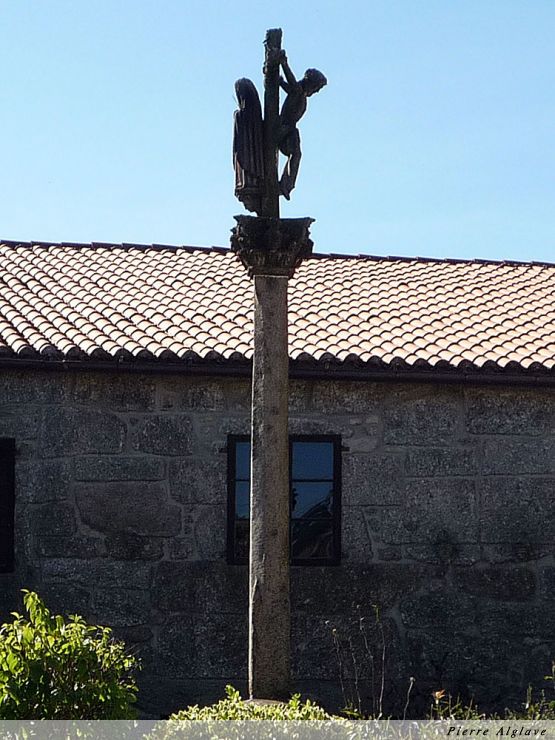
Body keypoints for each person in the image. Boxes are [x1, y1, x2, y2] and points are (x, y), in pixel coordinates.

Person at [278, 55, 327, 199]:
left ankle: (286, 185)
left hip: (290, 130)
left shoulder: (300, 93)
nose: (316, 91)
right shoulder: (298, 90)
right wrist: (284, 63)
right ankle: (285, 185)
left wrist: (281, 82)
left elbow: (287, 86)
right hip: (285, 130)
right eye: (316, 87)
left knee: (296, 155)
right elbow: (291, 81)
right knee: (296, 155)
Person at [233, 78, 264, 213]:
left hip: (248, 164)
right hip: (255, 165)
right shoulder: (256, 117)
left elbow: (238, 142)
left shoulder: (241, 116)